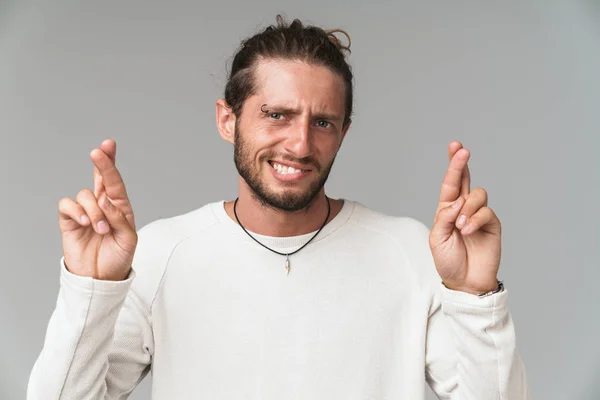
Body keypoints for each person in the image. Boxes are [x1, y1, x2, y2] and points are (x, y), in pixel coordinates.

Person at [27, 15, 529, 400]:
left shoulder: (408, 251)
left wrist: (475, 295)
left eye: (323, 122)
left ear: (344, 133)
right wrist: (91, 288)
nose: (300, 143)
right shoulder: (159, 254)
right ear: (228, 119)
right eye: (276, 114)